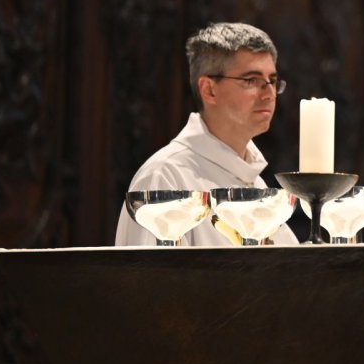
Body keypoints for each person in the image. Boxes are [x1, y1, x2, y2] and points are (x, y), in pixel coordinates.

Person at [114, 22, 298, 246]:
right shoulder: (165, 177)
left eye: (272, 81)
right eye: (252, 80)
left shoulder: (257, 186)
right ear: (209, 90)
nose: (269, 94)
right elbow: (147, 279)